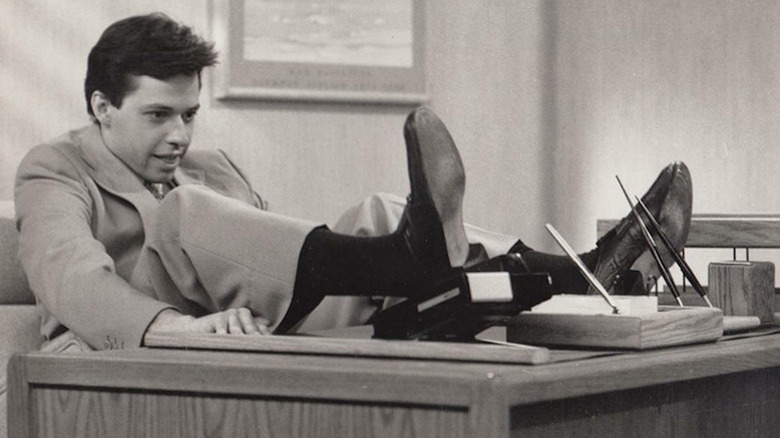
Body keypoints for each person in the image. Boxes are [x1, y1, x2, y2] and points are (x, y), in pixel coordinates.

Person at [14, 13, 693, 353]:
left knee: (378, 211)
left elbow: (269, 262)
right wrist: (189, 329)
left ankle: (586, 275)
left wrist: (239, 317)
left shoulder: (210, 167)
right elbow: (73, 283)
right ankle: (421, 269)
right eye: (157, 116)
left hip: (256, 330)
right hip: (134, 346)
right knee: (183, 214)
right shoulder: (55, 169)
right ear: (102, 107)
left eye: (190, 114)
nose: (181, 137)